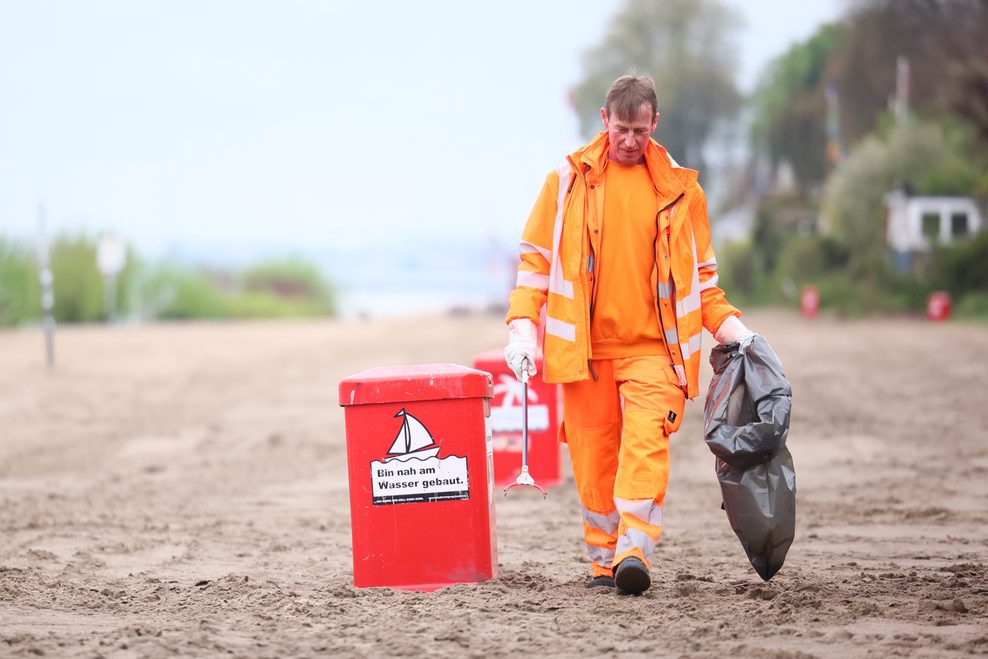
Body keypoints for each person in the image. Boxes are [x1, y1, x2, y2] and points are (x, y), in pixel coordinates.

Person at [503, 74, 754, 596]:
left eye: (640, 130)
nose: (630, 141)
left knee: (644, 447)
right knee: (594, 462)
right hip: (584, 355)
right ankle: (603, 560)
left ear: (654, 124)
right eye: (622, 129)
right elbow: (534, 266)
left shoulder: (682, 191)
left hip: (655, 353)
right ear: (604, 120)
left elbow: (703, 282)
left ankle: (634, 550)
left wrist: (737, 332)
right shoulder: (566, 182)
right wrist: (523, 330)